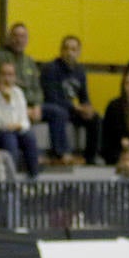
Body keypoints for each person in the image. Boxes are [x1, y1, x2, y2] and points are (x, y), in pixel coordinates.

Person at [39, 34, 101, 165]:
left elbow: (84, 97)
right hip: (53, 108)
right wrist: (75, 107)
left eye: (73, 49)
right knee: (59, 112)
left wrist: (87, 108)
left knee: (95, 118)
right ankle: (61, 154)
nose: (69, 52)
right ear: (61, 50)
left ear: (78, 52)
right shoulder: (50, 68)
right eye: (66, 49)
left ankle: (90, 158)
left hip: (72, 110)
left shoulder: (80, 71)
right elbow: (51, 97)